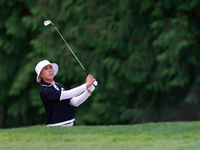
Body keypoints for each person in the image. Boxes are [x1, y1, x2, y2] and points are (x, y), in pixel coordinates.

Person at [35, 60, 97, 127]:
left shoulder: (59, 85)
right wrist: (86, 85)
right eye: (46, 68)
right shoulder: (45, 90)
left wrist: (90, 89)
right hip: (56, 126)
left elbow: (75, 102)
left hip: (72, 123)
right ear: (40, 74)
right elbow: (67, 94)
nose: (50, 70)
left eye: (50, 67)